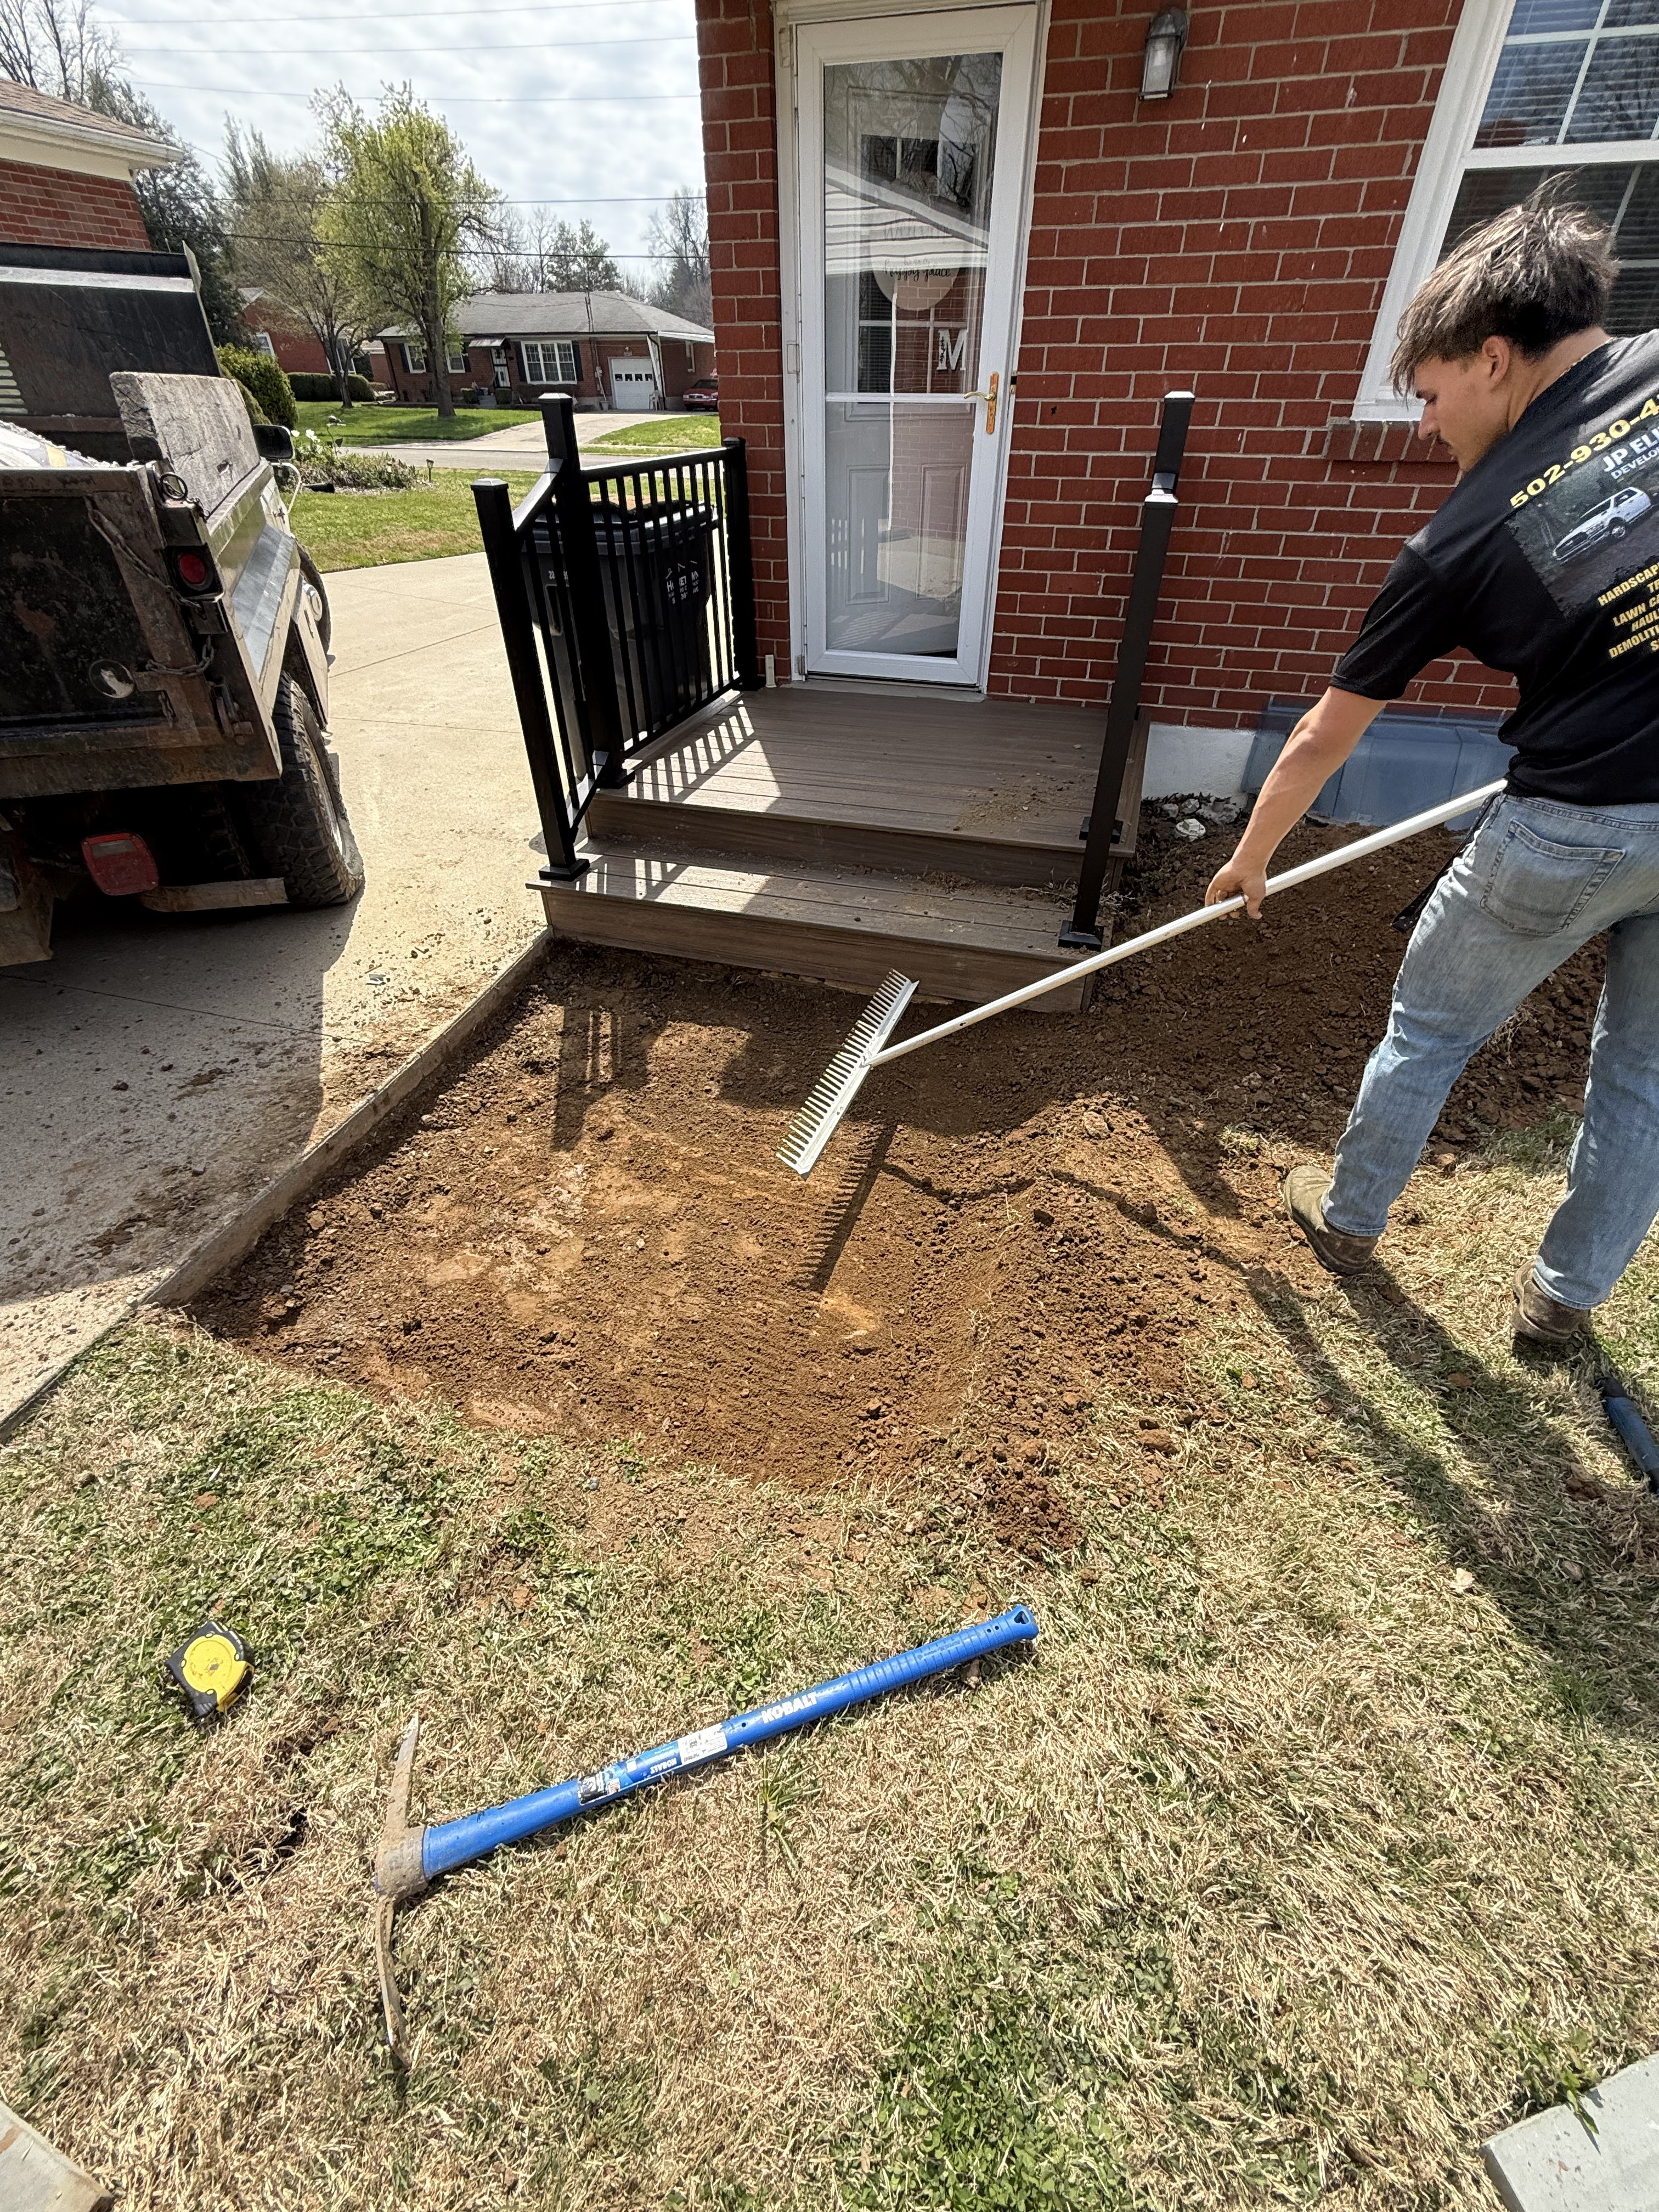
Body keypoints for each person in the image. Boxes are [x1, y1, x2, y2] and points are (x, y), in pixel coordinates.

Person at [1204, 192, 1659, 1347]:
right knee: (1645, 1077)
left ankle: (1348, 1222)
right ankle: (1565, 1304)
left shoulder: (1458, 537)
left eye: (1429, 393)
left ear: (1494, 358)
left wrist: (1250, 862)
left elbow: (1323, 736)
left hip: (1575, 825)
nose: (1421, 424)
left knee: (1430, 1031)